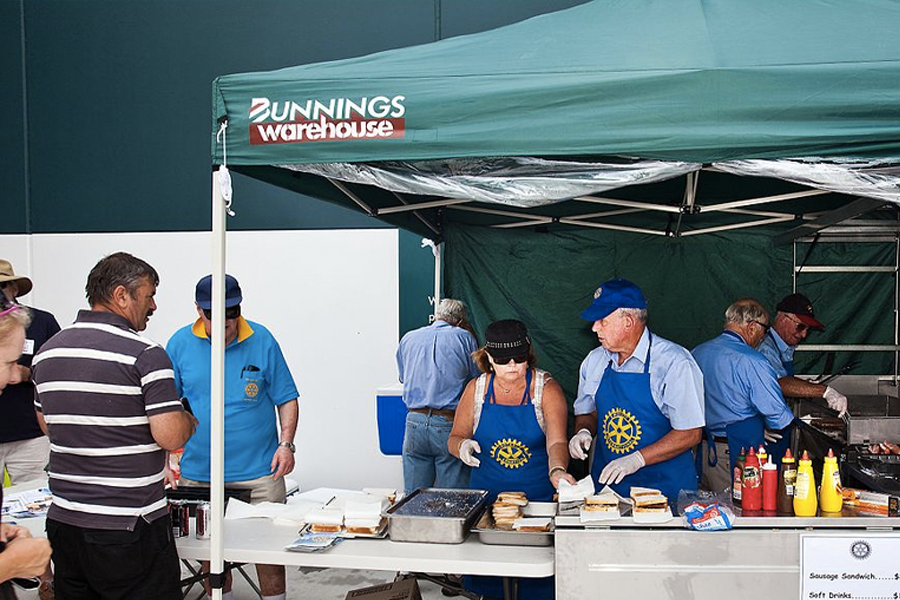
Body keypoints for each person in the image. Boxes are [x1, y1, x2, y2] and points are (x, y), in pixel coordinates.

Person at [32, 252, 197, 600]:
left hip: (65, 522)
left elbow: (47, 424)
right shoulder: (145, 353)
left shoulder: (48, 352)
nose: (153, 306)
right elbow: (169, 435)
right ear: (122, 295)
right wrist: (187, 420)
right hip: (129, 523)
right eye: (149, 294)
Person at [167, 274, 299, 600]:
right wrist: (165, 458)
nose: (225, 321)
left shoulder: (262, 339)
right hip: (199, 474)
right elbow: (165, 408)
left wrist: (286, 444)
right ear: (199, 310)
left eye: (232, 311)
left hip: (259, 474)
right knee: (210, 559)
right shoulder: (179, 344)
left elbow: (287, 397)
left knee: (269, 555)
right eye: (215, 313)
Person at [449, 319, 574, 600]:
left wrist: (557, 469)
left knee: (536, 581)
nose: (513, 366)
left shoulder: (546, 389)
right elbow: (455, 437)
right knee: (489, 583)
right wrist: (462, 447)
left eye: (520, 359)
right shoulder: (477, 390)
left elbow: (556, 440)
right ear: (489, 358)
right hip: (487, 511)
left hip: (536, 508)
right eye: (504, 361)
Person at [568, 278, 705, 506]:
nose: (594, 328)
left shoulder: (674, 363)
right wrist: (583, 431)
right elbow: (588, 411)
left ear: (629, 322)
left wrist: (635, 460)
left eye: (602, 321)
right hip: (608, 493)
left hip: (665, 493)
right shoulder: (594, 361)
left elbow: (690, 433)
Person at [692, 299, 795, 493]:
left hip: (702, 451)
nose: (763, 337)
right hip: (735, 455)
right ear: (753, 326)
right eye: (764, 331)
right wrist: (757, 427)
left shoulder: (697, 353)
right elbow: (778, 418)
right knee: (741, 514)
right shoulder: (752, 360)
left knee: (709, 512)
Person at [0, 261, 59, 600]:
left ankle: (46, 582)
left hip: (29, 435)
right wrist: (10, 565)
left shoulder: (43, 321)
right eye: (7, 363)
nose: (11, 376)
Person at [396, 298, 480, 494]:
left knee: (413, 499)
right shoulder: (464, 338)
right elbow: (476, 380)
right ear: (460, 321)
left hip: (414, 421)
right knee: (451, 500)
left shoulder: (408, 338)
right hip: (449, 423)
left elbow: (403, 376)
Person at [757, 293, 848, 416]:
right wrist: (824, 391)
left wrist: (806, 386)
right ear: (782, 319)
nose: (804, 335)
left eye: (807, 329)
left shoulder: (785, 347)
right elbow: (779, 383)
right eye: (800, 327)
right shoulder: (766, 349)